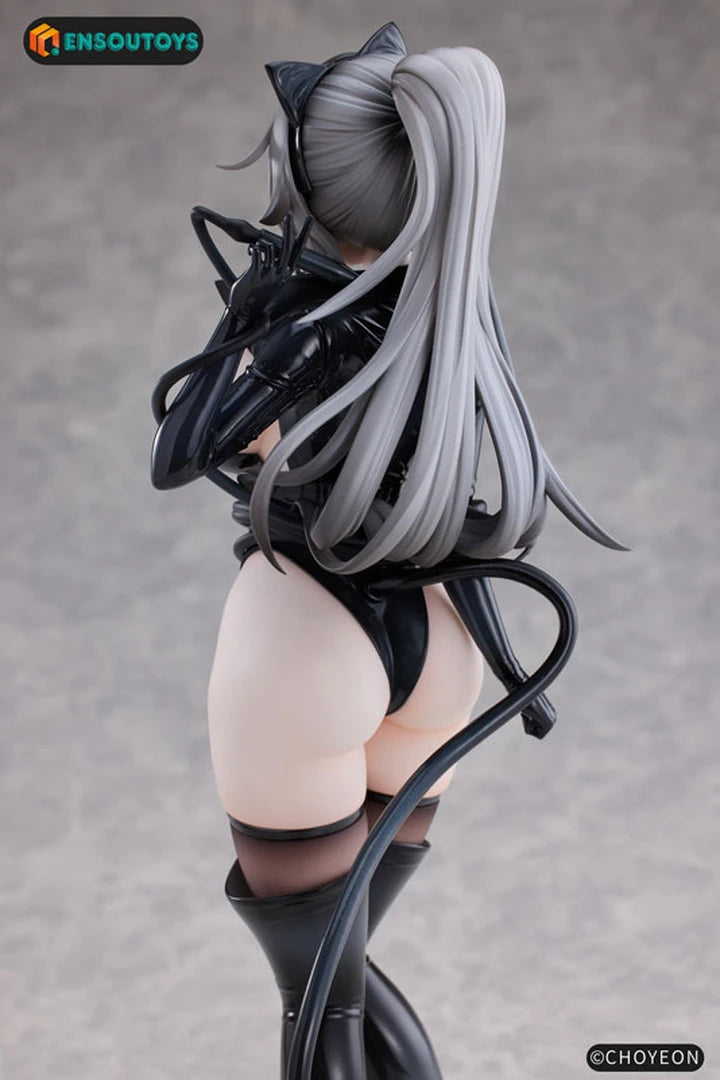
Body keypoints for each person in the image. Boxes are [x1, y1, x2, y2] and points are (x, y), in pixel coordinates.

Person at [151, 23, 624, 1079]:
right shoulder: (451, 318)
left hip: (305, 643)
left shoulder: (309, 325)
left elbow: (178, 450)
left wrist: (262, 320)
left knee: (320, 999)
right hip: (441, 647)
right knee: (342, 973)